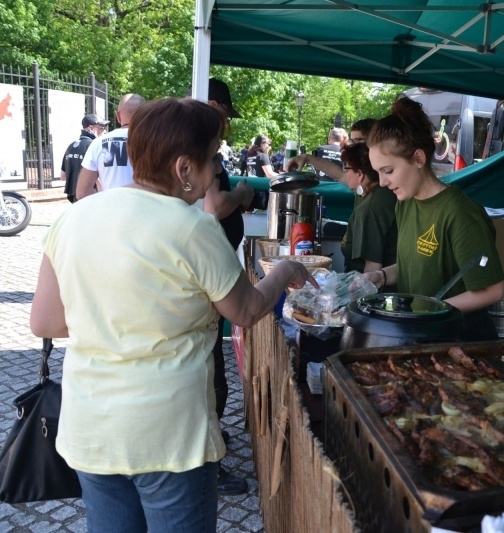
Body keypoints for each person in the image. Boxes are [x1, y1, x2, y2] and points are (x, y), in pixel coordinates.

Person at [30, 97, 315, 532]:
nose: (216, 169)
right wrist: (286, 272)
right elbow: (245, 310)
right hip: (170, 436)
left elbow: (45, 323)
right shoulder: (194, 228)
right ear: (185, 168)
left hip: (91, 428)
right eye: (213, 158)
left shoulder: (73, 219)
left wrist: (108, 313)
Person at [362, 96, 504, 342]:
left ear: (418, 159)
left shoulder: (459, 213)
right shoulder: (405, 204)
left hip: (462, 340)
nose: (383, 182)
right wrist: (382, 275)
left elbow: (493, 290)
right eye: (378, 172)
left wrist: (430, 312)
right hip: (421, 336)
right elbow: (416, 264)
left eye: (388, 171)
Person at [194, 77, 255, 495]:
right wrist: (245, 193)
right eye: (224, 119)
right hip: (207, 281)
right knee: (210, 372)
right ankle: (208, 462)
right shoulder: (204, 153)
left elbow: (47, 321)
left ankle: (209, 443)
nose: (227, 129)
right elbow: (246, 311)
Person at [339, 142, 397, 274]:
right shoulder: (386, 193)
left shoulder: (368, 210)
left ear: (360, 174)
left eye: (346, 169)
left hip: (374, 287)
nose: (344, 174)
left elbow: (372, 269)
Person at [76, 93, 147, 199]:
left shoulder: (98, 143)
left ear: (118, 116)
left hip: (112, 210)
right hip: (146, 209)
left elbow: (82, 193)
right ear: (146, 114)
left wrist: (104, 201)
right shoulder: (156, 142)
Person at [287, 118, 376, 184]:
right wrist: (307, 158)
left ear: (374, 140)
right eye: (352, 141)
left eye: (358, 140)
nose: (352, 146)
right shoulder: (367, 172)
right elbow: (341, 175)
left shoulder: (380, 178)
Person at [60, 114, 108, 203]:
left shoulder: (71, 146)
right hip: (92, 195)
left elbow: (63, 176)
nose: (104, 131)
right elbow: (99, 176)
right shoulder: (95, 145)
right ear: (91, 128)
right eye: (101, 128)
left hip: (74, 195)